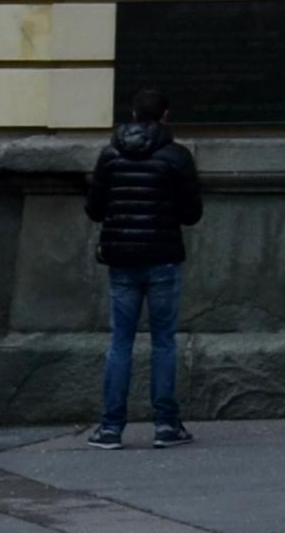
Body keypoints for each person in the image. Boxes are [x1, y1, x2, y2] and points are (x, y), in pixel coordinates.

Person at [84, 85, 205, 445]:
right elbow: (192, 214)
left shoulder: (110, 155)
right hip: (163, 258)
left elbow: (94, 209)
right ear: (165, 116)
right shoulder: (178, 157)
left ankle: (110, 428)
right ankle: (166, 425)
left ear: (134, 115)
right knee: (164, 342)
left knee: (120, 342)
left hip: (121, 260)